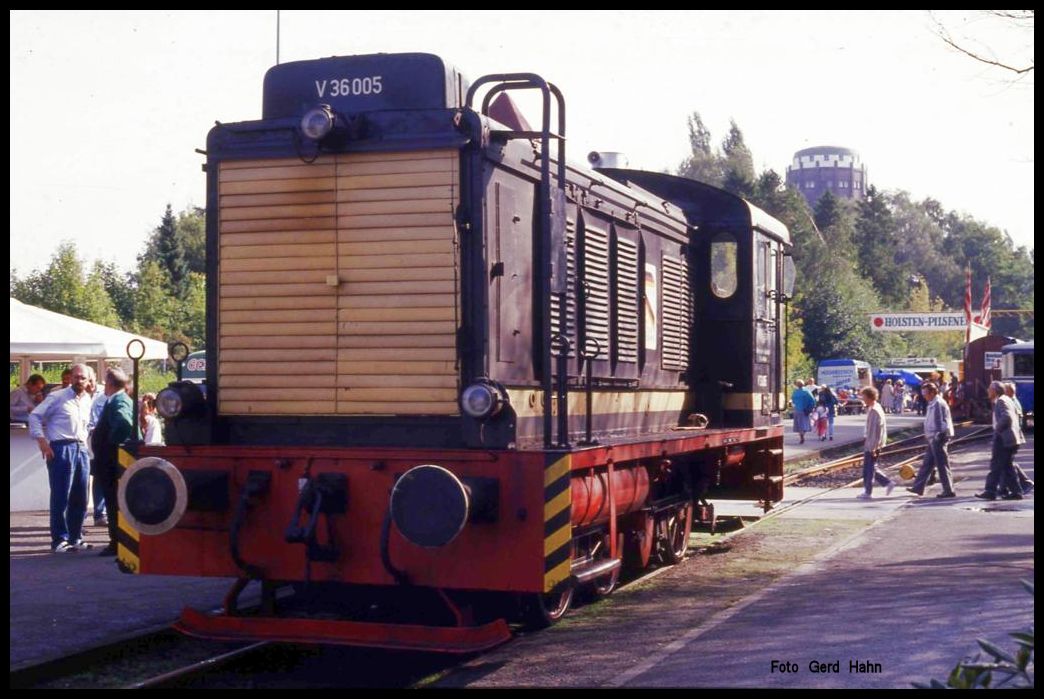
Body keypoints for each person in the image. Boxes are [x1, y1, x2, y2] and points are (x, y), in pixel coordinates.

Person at [27, 363, 94, 553]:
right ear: (70, 377)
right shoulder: (57, 397)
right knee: (61, 495)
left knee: (81, 496)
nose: (79, 380)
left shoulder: (87, 399)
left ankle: (75, 536)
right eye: (76, 377)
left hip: (81, 447)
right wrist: (42, 441)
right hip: (62, 447)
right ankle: (59, 540)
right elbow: (35, 416)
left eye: (83, 377)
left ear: (88, 380)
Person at [92, 368, 136, 556]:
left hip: (112, 461)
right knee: (113, 500)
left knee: (113, 501)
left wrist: (110, 445)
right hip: (110, 460)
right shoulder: (118, 399)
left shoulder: (119, 401)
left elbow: (124, 424)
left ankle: (117, 542)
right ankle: (116, 541)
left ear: (110, 383)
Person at [975, 381, 1025, 501]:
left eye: (989, 389)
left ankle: (990, 491)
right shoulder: (1006, 399)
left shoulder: (1001, 401)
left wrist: (997, 429)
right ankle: (1016, 492)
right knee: (1007, 466)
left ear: (995, 391)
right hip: (1011, 438)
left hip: (1004, 439)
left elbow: (1007, 417)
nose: (988, 391)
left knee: (996, 465)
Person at [906, 382, 956, 498]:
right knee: (927, 463)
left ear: (933, 392)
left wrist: (937, 435)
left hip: (938, 437)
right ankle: (917, 487)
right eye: (923, 393)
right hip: (933, 437)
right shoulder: (933, 402)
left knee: (942, 465)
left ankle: (948, 490)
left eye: (926, 393)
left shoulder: (938, 403)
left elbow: (939, 422)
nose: (924, 396)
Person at [857, 386, 895, 500]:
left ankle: (868, 492)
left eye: (864, 397)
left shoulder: (874, 411)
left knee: (868, 469)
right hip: (873, 442)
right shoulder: (875, 407)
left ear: (869, 397)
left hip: (872, 444)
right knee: (871, 467)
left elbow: (874, 430)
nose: (863, 399)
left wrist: (873, 447)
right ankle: (888, 483)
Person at [86, 373, 110, 526]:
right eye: (87, 380)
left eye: (91, 380)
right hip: (86, 439)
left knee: (99, 477)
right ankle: (80, 517)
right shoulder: (77, 396)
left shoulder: (105, 393)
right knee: (83, 479)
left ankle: (100, 514)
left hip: (99, 440)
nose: (89, 384)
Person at [1001, 382, 1033, 496]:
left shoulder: (1011, 402)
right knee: (1006, 462)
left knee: (1006, 462)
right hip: (1013, 436)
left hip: (1011, 437)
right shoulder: (1012, 401)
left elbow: (1013, 421)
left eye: (1004, 390)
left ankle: (1024, 483)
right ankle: (1004, 488)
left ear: (1009, 391)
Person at [791, 380, 815, 445]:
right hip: (804, 410)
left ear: (797, 385)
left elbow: (793, 400)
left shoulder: (795, 392)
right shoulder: (806, 391)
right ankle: (802, 434)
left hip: (796, 410)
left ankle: (801, 435)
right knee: (805, 424)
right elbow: (812, 400)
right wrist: (811, 407)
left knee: (799, 424)